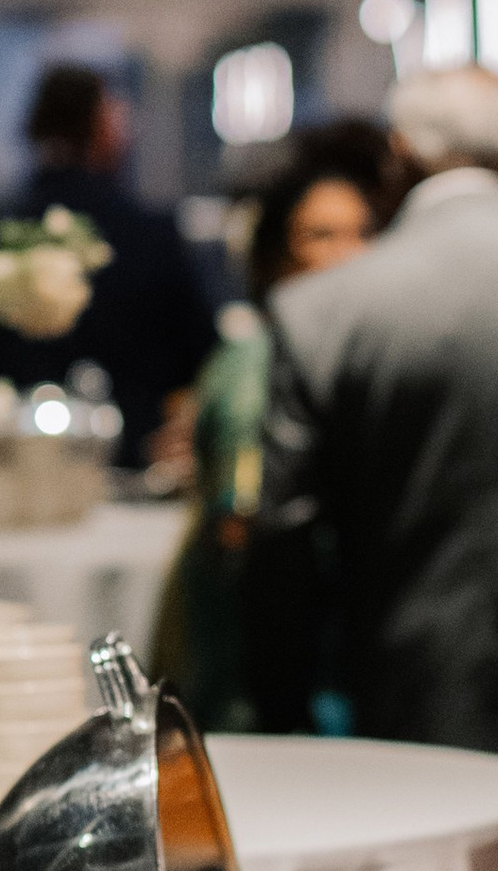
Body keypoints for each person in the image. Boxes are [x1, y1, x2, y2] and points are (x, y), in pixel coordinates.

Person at [250, 67, 498, 760]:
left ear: (401, 152)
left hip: (403, 686)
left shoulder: (322, 310)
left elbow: (283, 538)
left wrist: (281, 713)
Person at [152, 121, 396, 730]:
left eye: (362, 234)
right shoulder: (258, 360)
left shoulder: (357, 355)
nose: (349, 253)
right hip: (269, 664)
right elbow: (242, 525)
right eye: (323, 234)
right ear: (276, 254)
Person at [0, 62, 216, 465]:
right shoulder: (148, 232)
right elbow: (200, 353)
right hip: (135, 455)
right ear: (104, 127)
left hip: (9, 460)